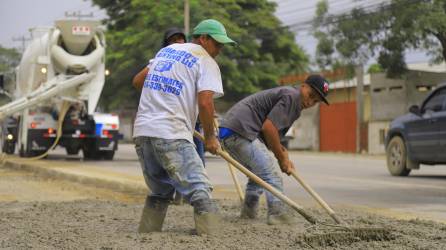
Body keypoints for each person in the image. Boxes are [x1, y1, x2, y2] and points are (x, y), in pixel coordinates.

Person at [133, 19, 236, 235]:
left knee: (160, 189)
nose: (219, 49)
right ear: (203, 39)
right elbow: (206, 102)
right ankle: (212, 236)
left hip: (143, 131)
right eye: (217, 44)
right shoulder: (205, 60)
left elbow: (137, 81)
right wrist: (210, 138)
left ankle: (148, 233)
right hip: (171, 130)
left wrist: (163, 97)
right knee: (200, 187)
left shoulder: (167, 51)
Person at [219, 74, 330, 225]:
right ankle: (278, 215)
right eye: (310, 95)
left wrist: (283, 154)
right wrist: (281, 158)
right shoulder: (292, 97)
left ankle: (249, 213)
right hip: (240, 132)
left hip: (231, 132)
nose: (310, 102)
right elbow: (269, 128)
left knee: (258, 175)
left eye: (316, 101)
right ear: (303, 86)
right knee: (272, 174)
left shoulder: (292, 99)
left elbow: (272, 136)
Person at [132, 27, 203, 205]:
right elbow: (138, 81)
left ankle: (184, 195)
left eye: (180, 39)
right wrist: (160, 94)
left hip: (188, 119)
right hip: (170, 120)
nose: (178, 42)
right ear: (166, 44)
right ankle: (197, 207)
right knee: (182, 169)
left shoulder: (192, 59)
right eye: (173, 40)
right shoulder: (161, 59)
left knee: (196, 160)